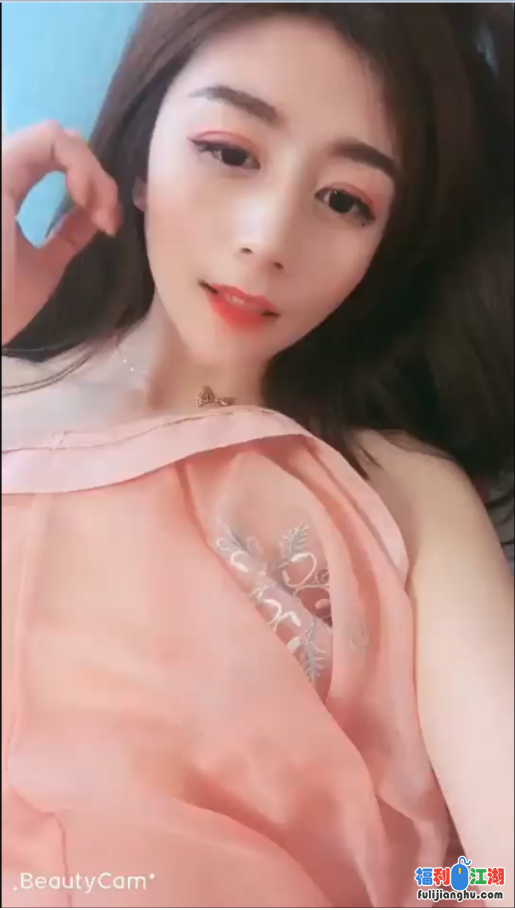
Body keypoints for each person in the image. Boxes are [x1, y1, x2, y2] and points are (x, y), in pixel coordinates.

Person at [2, 4, 513, 907]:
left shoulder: (401, 492)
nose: (268, 239)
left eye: (345, 200)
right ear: (141, 154)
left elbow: (499, 873)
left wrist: (431, 897)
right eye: (230, 152)